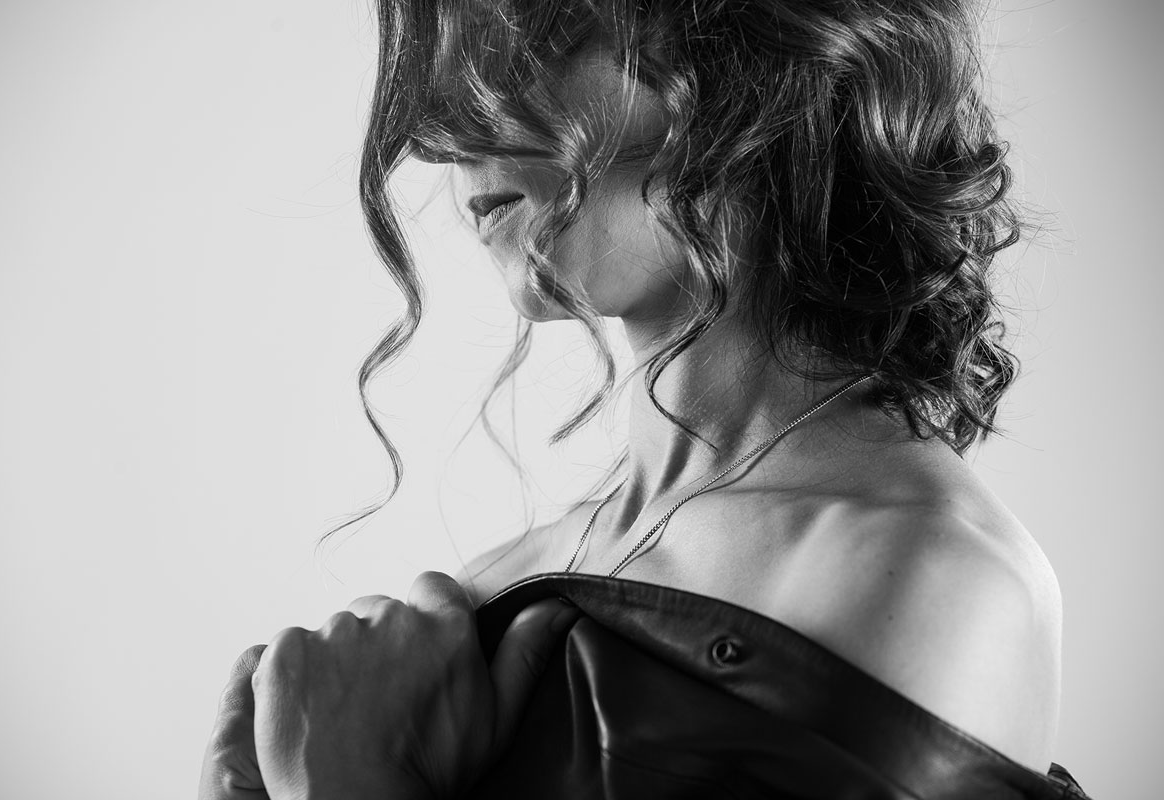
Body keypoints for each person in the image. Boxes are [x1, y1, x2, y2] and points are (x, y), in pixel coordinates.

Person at [200, 0, 1093, 797]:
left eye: (536, 35)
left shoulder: (937, 582)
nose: (439, 134)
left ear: (755, 50)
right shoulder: (493, 585)